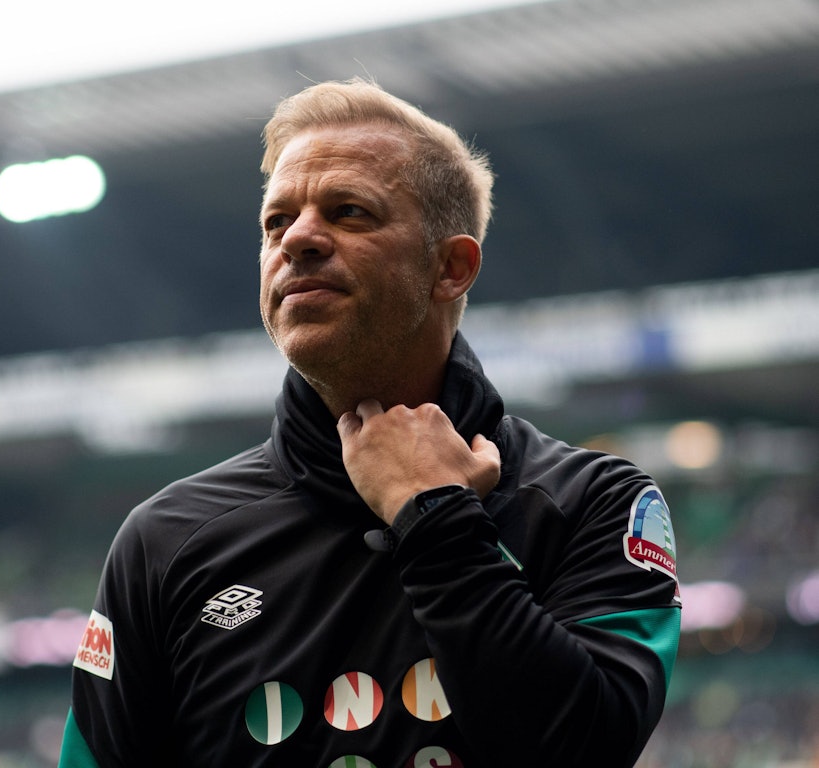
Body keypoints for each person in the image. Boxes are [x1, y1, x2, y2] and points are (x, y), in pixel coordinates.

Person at [59, 78, 681, 767]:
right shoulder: (165, 538)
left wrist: (438, 523)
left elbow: (584, 751)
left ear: (450, 267)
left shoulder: (589, 501)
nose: (296, 239)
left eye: (348, 211)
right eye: (275, 222)